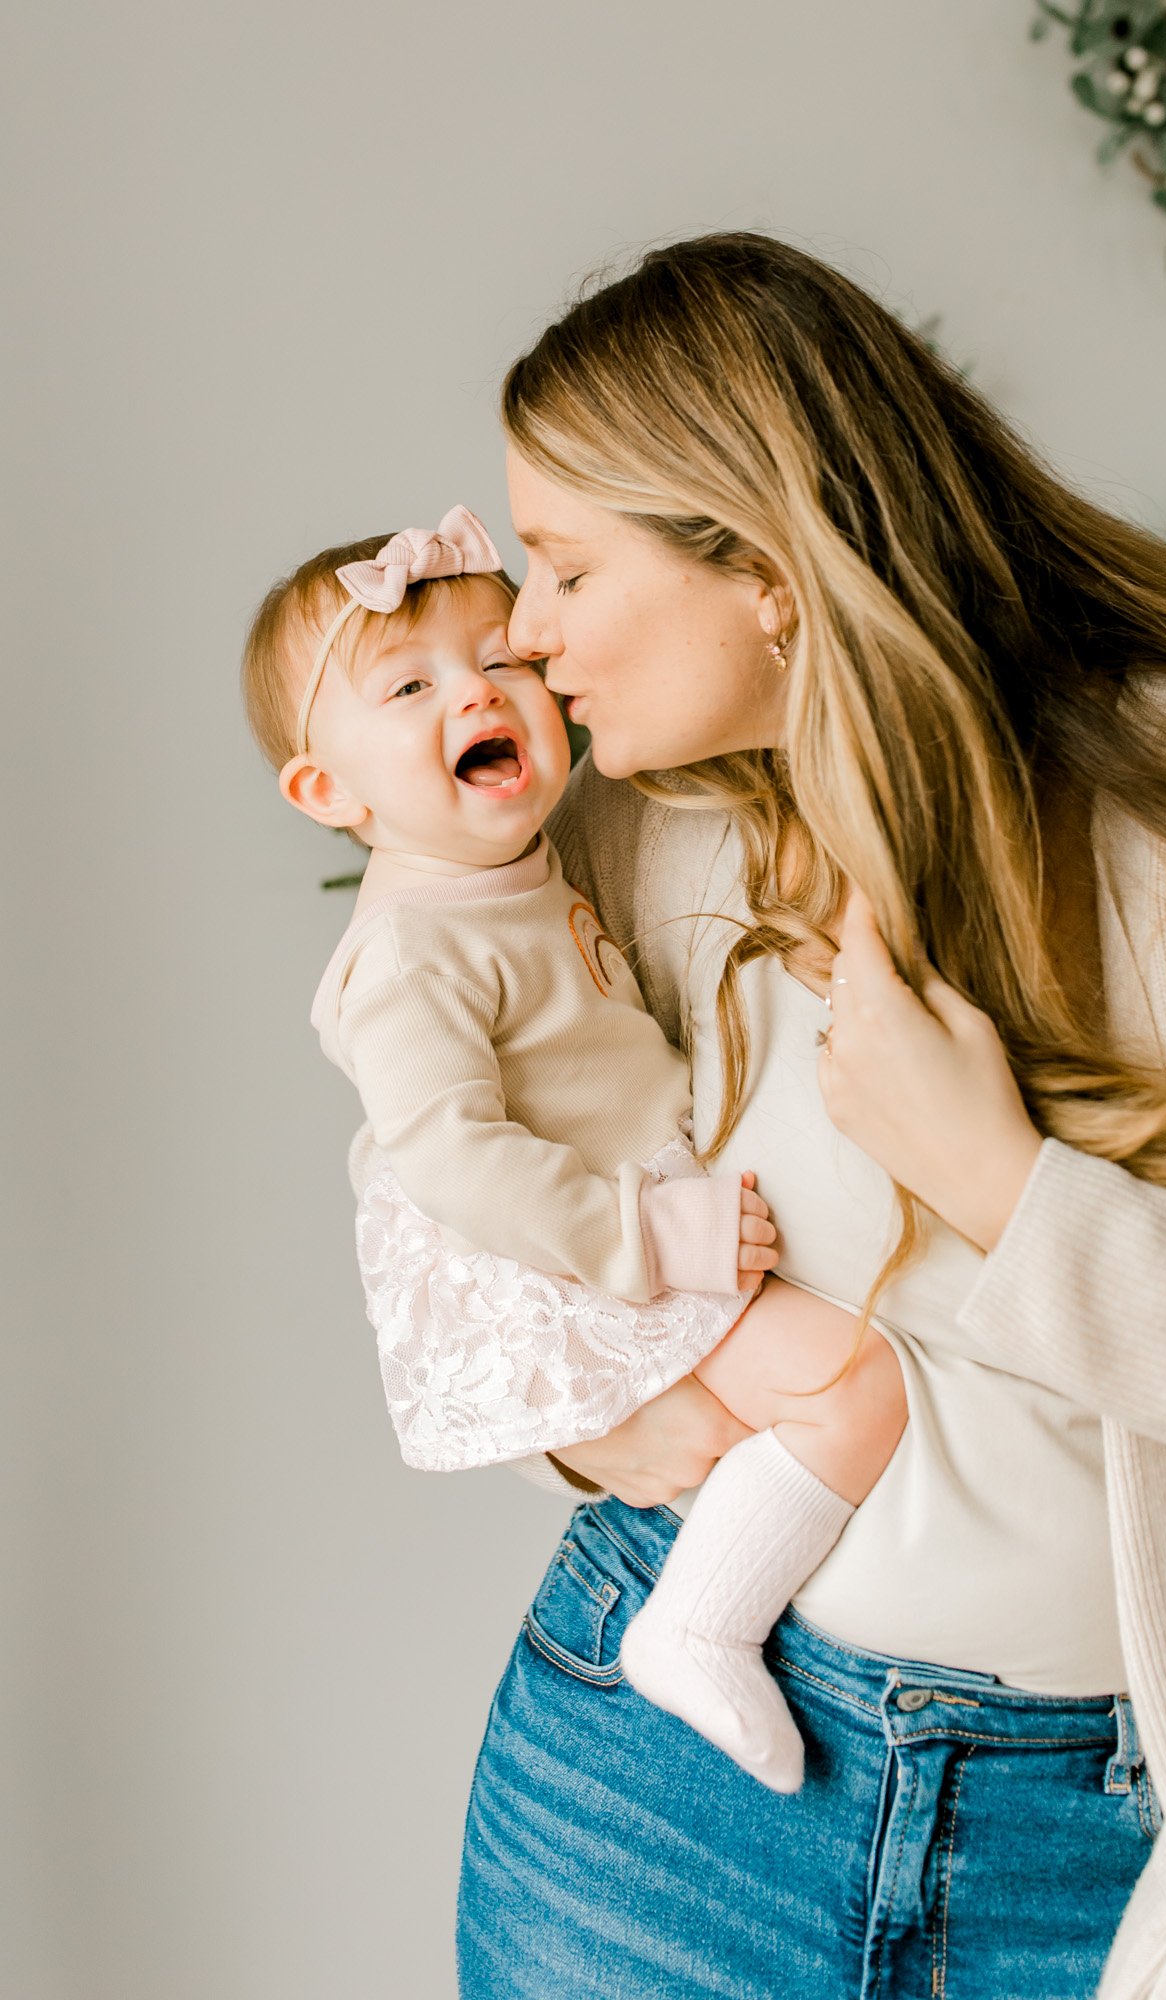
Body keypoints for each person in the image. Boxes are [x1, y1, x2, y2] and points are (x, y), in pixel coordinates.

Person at [430, 233, 1166, 1999]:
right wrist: (590, 1406)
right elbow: (461, 1168)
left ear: (762, 564)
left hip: (1101, 1858)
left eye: (562, 567)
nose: (525, 636)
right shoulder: (641, 838)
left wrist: (1011, 1193)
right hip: (647, 1807)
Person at [241, 506, 909, 1794]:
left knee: (761, 1427)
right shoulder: (412, 951)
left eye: (503, 660)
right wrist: (644, 1234)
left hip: (605, 1217)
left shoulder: (544, 851)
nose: (481, 691)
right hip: (572, 1245)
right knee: (852, 1388)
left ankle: (724, 1609)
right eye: (411, 683)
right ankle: (697, 1628)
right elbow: (446, 1155)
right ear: (330, 791)